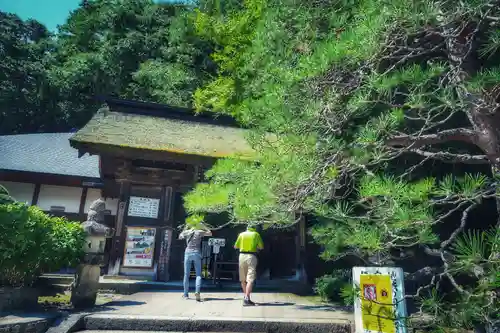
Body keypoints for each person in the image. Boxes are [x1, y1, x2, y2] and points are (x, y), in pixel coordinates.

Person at [179, 224, 212, 301]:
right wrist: (203, 226)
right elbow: (210, 233)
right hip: (197, 253)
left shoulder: (187, 232)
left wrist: (186, 227)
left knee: (186, 274)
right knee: (198, 275)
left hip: (187, 253)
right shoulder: (199, 232)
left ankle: (185, 294)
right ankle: (197, 291)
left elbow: (180, 236)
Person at [234, 224, 264, 306]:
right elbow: (261, 247)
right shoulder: (256, 234)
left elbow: (235, 246)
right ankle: (247, 299)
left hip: (241, 256)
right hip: (251, 256)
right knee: (250, 278)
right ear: (254, 228)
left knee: (243, 279)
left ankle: (246, 298)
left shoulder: (241, 234)